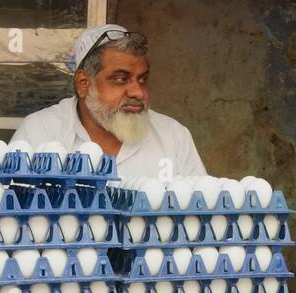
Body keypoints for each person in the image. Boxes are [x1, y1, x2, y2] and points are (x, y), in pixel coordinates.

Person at [12, 25, 206, 181]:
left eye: (142, 79)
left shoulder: (173, 136)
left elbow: (200, 212)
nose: (138, 92)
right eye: (120, 79)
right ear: (83, 84)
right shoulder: (41, 132)